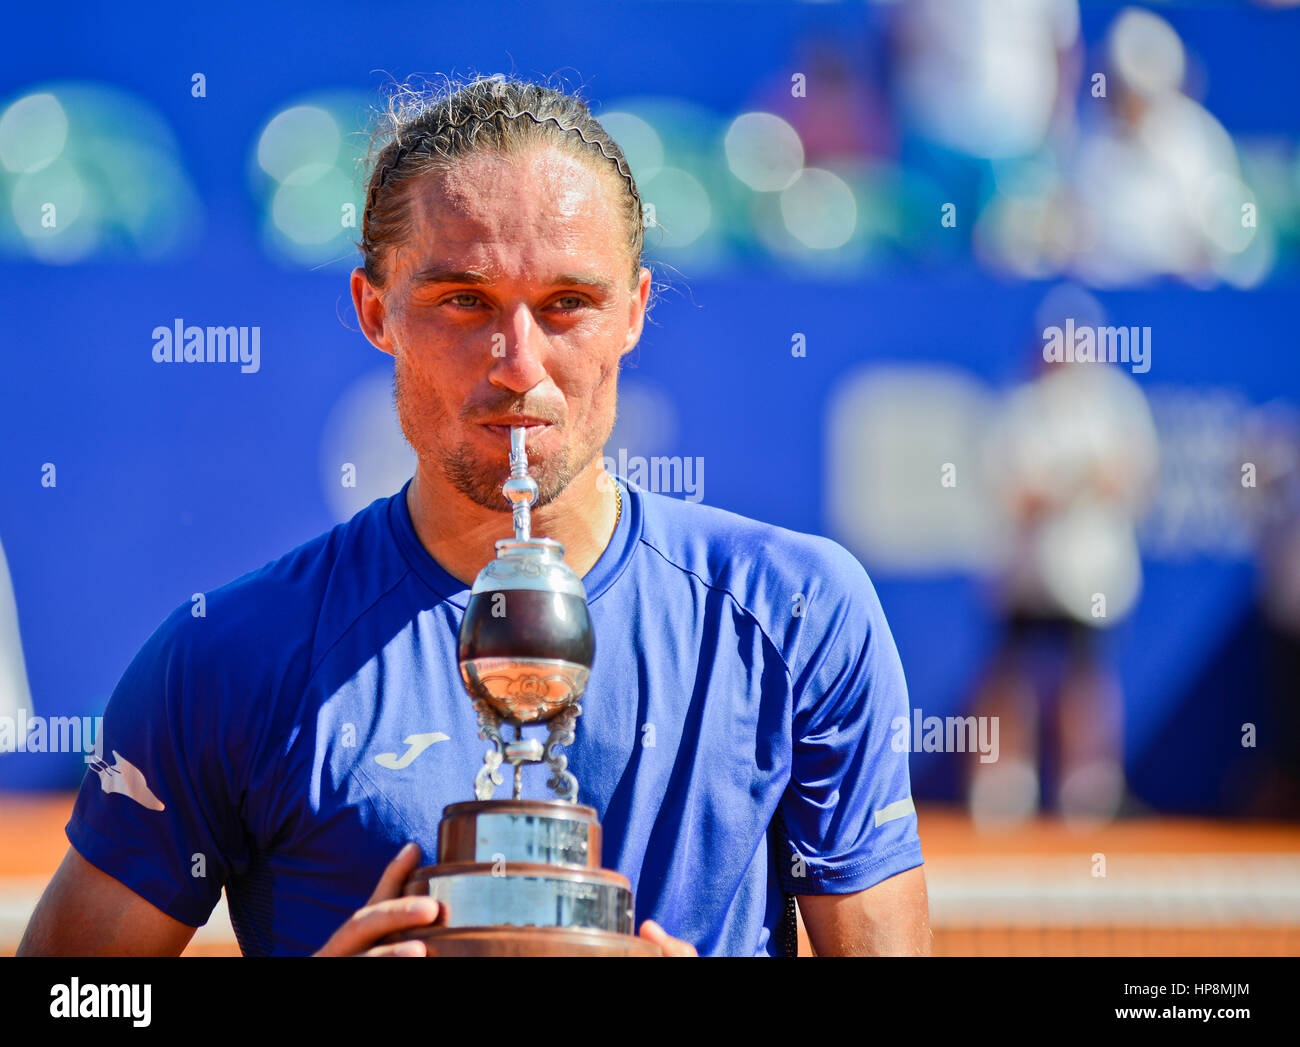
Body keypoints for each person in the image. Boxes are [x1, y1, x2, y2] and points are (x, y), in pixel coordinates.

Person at [18, 75, 929, 957]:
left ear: (636, 314)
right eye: (465, 301)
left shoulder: (799, 614)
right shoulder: (225, 659)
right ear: (375, 309)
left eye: (568, 303)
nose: (518, 363)